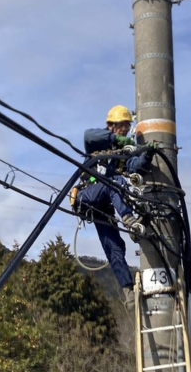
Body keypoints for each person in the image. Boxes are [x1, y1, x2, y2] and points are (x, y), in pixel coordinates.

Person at [75, 105, 153, 308]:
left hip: (103, 207)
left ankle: (127, 292)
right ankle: (128, 219)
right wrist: (115, 140)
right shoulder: (97, 144)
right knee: (115, 181)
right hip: (86, 195)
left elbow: (134, 167)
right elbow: (88, 135)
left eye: (127, 127)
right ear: (111, 126)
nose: (124, 130)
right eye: (121, 126)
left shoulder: (123, 154)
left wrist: (146, 155)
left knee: (115, 247)